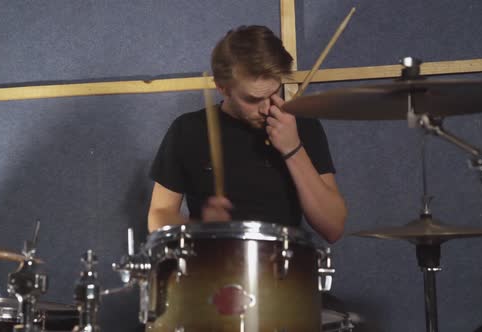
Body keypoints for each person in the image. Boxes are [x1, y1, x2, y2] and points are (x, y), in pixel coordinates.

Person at [147, 25, 347, 243]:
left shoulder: (303, 126)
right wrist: (200, 228)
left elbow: (333, 228)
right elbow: (159, 214)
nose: (266, 108)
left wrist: (293, 148)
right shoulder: (188, 129)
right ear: (222, 87)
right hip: (209, 268)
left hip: (283, 271)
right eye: (252, 99)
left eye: (273, 93)